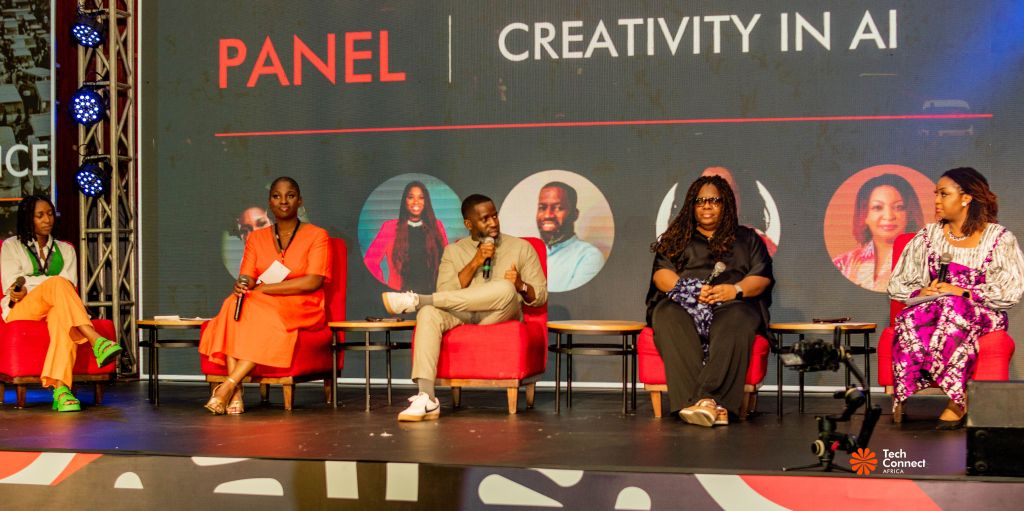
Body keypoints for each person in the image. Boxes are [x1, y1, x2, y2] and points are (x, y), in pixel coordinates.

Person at [381, 194, 547, 422]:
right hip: (463, 315)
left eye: (495, 216)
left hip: (499, 314)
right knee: (428, 313)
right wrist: (476, 261)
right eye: (485, 219)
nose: (493, 223)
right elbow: (446, 291)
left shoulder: (521, 248)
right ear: (469, 224)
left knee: (506, 289)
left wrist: (521, 285)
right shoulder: (453, 251)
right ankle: (427, 397)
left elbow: (540, 296)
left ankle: (418, 300)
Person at [887, 167, 1024, 429]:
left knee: (954, 305)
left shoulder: (998, 238)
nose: (936, 200)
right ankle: (912, 386)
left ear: (966, 198)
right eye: (935, 194)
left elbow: (1010, 290)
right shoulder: (928, 236)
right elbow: (898, 283)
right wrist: (922, 292)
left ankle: (958, 401)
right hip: (937, 306)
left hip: (981, 310)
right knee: (908, 316)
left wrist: (962, 291)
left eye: (943, 194)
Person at [646, 175, 773, 427]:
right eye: (700, 201)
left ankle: (701, 402)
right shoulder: (676, 238)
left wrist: (734, 290)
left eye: (714, 200)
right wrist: (690, 291)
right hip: (683, 303)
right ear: (691, 205)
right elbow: (661, 275)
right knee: (667, 314)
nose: (706, 206)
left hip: (732, 304)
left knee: (738, 318)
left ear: (726, 204)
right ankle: (711, 404)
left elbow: (761, 278)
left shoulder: (747, 238)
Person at [199, 177, 331, 415]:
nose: (283, 201)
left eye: (290, 196)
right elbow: (247, 276)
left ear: (300, 201)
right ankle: (235, 393)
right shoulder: (256, 238)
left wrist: (264, 289)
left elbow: (313, 281)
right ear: (270, 202)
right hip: (262, 302)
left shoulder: (317, 235)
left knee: (253, 307)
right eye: (277, 196)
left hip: (302, 303)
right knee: (233, 302)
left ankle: (228, 386)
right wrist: (242, 285)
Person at [0, 195, 121, 412]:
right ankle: (95, 339)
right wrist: (43, 284)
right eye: (40, 215)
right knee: (57, 284)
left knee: (61, 316)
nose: (47, 220)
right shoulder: (12, 246)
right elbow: (13, 281)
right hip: (22, 307)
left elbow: (69, 284)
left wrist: (33, 281)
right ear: (28, 218)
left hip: (57, 305)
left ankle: (62, 390)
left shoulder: (65, 249)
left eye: (49, 214)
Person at [834, 174, 924, 292]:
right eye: (877, 207)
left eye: (898, 207)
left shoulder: (927, 262)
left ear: (909, 214)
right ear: (864, 214)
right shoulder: (843, 264)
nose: (889, 216)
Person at [364, 181, 449, 292]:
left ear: (426, 202)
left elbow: (448, 260)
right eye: (411, 197)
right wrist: (385, 289)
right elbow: (370, 262)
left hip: (433, 294)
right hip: (402, 295)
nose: (416, 202)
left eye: (421, 198)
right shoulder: (390, 227)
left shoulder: (437, 226)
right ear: (405, 201)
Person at [535, 181, 604, 292]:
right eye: (542, 208)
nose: (547, 215)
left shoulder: (589, 257)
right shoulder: (528, 253)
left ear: (575, 215)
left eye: (558, 208)